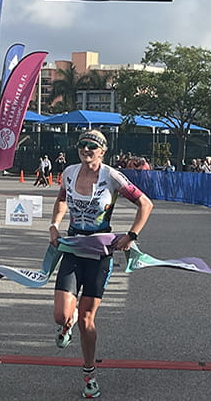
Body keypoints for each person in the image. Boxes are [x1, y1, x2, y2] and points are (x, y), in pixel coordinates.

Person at [48, 130, 153, 398]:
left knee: (86, 319)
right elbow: (61, 200)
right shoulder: (70, 172)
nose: (86, 150)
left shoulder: (112, 176)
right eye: (82, 145)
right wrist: (54, 226)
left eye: (92, 146)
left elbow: (145, 204)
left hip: (99, 253)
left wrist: (131, 235)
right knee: (62, 315)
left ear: (102, 151)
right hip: (72, 248)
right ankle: (65, 325)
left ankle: (89, 372)